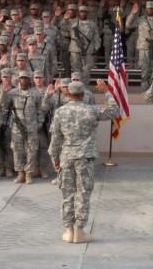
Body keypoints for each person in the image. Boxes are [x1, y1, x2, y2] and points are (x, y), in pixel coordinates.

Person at [49, 80, 119, 244]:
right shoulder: (92, 110)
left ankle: (68, 231)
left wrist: (55, 159)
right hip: (85, 158)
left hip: (66, 157)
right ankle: (79, 231)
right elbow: (115, 111)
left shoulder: (60, 112)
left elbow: (55, 139)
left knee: (67, 194)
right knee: (83, 194)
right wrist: (106, 92)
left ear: (68, 93)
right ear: (83, 94)